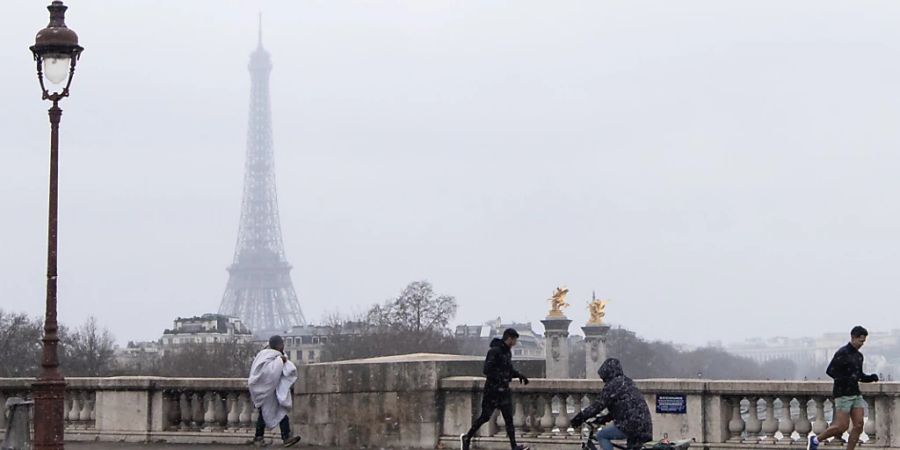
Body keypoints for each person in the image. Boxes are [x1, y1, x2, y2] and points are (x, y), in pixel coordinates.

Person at [808, 326, 879, 450]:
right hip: (842, 394)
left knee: (858, 425)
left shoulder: (859, 356)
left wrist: (870, 378)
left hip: (855, 393)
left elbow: (859, 376)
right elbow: (830, 371)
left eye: (864, 341)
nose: (862, 344)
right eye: (860, 341)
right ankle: (815, 440)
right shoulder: (842, 353)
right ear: (853, 338)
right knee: (842, 426)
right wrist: (847, 378)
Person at [460, 328, 531, 450]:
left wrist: (519, 375)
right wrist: (501, 378)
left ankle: (514, 446)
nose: (515, 343)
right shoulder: (494, 351)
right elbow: (487, 370)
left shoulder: (507, 352)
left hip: (503, 390)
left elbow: (508, 369)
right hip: (492, 391)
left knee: (509, 419)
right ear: (509, 338)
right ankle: (467, 437)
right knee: (485, 417)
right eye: (514, 340)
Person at [571, 358, 653, 450]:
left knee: (602, 435)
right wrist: (603, 419)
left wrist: (580, 417)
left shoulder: (613, 385)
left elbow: (598, 405)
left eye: (604, 378)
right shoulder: (627, 382)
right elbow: (623, 409)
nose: (604, 382)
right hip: (644, 425)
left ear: (607, 374)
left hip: (630, 425)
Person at [248, 335, 302, 448]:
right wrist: (279, 362)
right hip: (266, 391)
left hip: (270, 391)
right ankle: (280, 437)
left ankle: (264, 437)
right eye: (282, 344)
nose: (283, 346)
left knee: (274, 413)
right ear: (279, 345)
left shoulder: (266, 355)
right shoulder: (271, 356)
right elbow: (268, 373)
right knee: (269, 413)